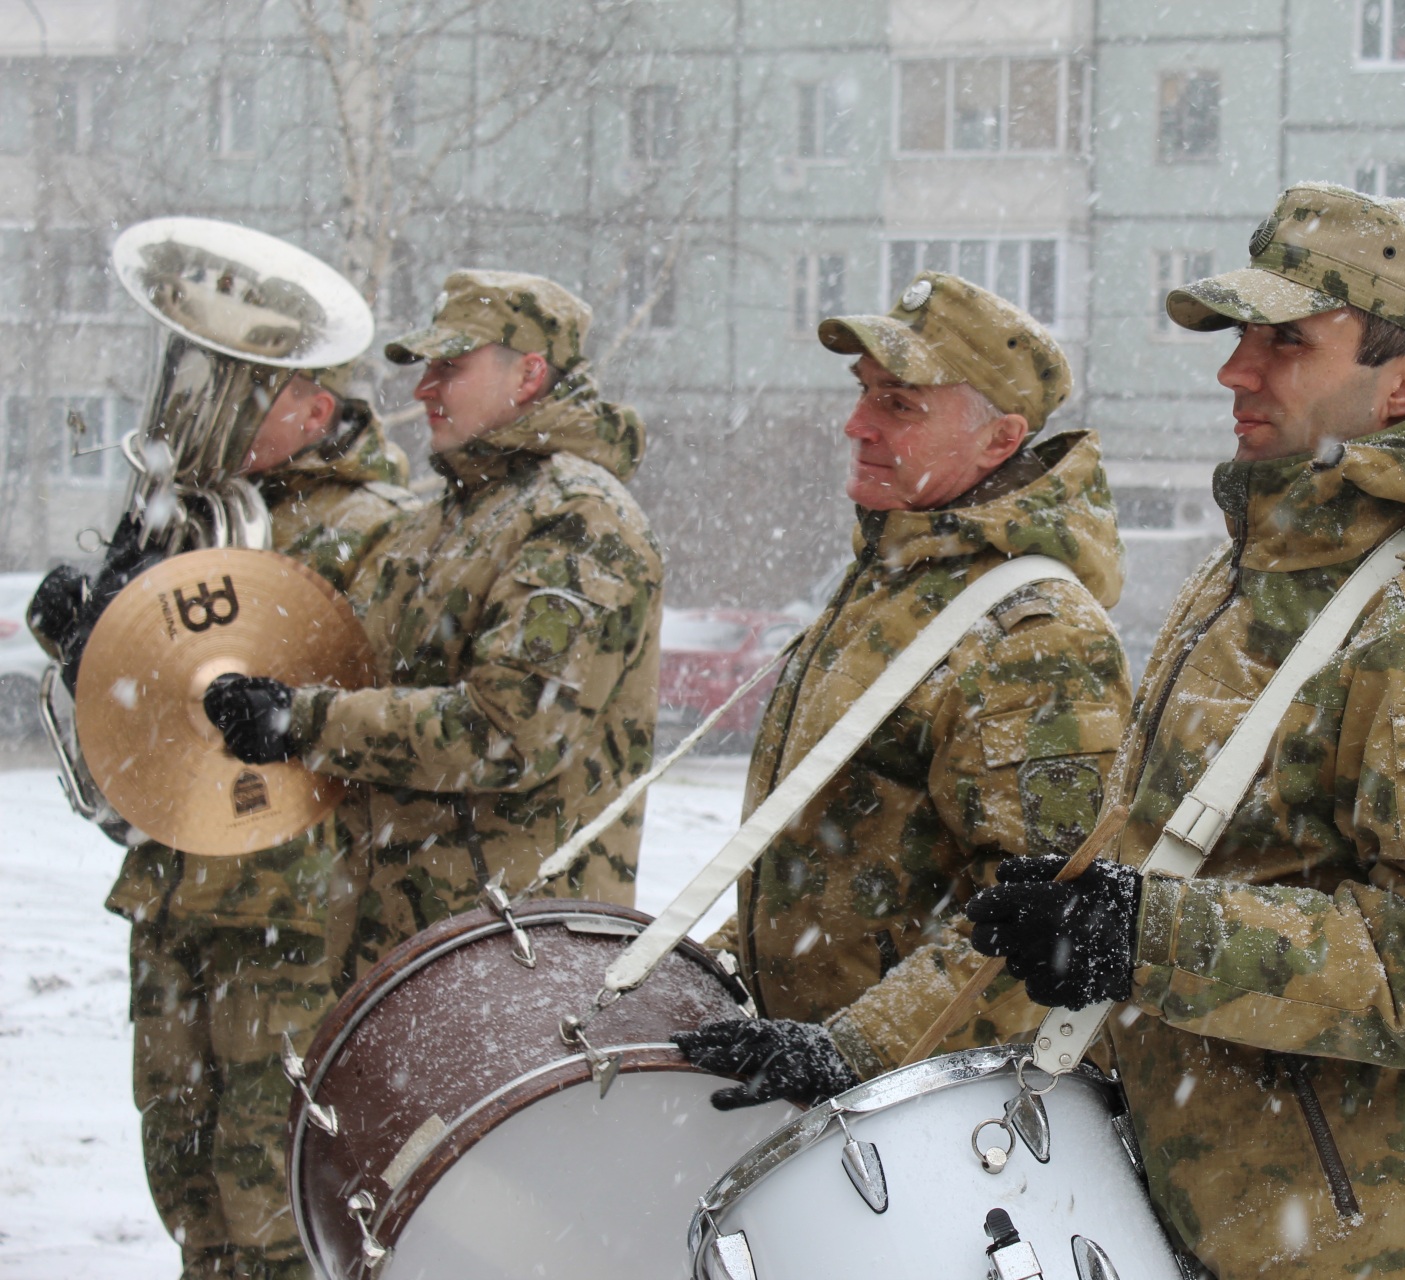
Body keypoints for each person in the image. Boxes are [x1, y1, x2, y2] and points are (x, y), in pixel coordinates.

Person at [964, 184, 1405, 1279]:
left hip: (1379, 1250)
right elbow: (1138, 858)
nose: (1235, 370)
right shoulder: (1255, 580)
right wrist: (855, 1049)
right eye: (1239, 336)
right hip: (1212, 1223)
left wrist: (1144, 936)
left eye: (1286, 341)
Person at [673, 273, 1132, 1108]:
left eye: (901, 405)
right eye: (864, 395)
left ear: (1000, 440)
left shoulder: (1032, 635)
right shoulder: (889, 586)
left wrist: (851, 1051)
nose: (858, 425)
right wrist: (713, 965)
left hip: (930, 1118)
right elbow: (823, 852)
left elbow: (1041, 927)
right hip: (821, 1098)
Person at [34, 366, 416, 1280]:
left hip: (286, 910)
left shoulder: (375, 529)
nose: (197, 414)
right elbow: (156, 711)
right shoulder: (184, 523)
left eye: (241, 394)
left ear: (316, 409)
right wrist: (90, 632)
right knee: (187, 1177)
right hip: (174, 891)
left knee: (276, 1194)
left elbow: (359, 698)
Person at [202, 271, 664, 988]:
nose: (424, 389)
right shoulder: (437, 524)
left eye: (450, 366)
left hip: (512, 963)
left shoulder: (579, 521)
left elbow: (507, 733)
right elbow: (328, 656)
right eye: (426, 368)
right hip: (397, 955)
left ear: (529, 374)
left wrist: (304, 720)